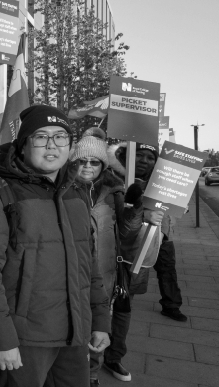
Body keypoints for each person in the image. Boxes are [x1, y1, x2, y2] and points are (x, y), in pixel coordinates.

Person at [0, 105, 111, 386]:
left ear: (70, 146)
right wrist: (2, 339)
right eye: (41, 137)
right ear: (23, 145)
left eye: (60, 137)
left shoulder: (77, 196)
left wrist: (100, 320)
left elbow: (89, 265)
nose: (52, 145)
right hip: (24, 340)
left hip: (75, 334)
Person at [70, 128, 145, 386]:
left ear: (103, 164)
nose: (88, 166)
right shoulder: (61, 190)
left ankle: (91, 375)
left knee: (98, 328)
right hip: (68, 271)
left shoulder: (114, 192)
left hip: (102, 273)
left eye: (94, 161)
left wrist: (136, 212)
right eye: (82, 161)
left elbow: (125, 232)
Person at [101, 141, 172, 382]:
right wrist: (141, 213)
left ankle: (114, 357)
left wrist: (159, 222)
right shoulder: (107, 180)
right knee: (97, 306)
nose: (144, 160)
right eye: (138, 155)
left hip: (137, 259)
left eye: (150, 157)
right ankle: (89, 361)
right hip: (106, 253)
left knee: (123, 309)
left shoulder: (160, 188)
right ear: (124, 157)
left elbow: (166, 225)